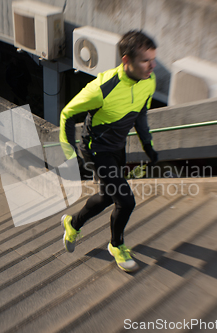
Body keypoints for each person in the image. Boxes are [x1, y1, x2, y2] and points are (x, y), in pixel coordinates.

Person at [59, 30, 158, 273]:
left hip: (117, 149)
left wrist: (147, 144)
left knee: (106, 196)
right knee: (125, 200)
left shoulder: (149, 81)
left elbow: (141, 114)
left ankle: (73, 223)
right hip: (96, 151)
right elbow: (68, 114)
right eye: (145, 60)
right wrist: (71, 156)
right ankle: (117, 245)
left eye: (153, 59)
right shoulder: (102, 87)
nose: (151, 66)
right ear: (126, 61)